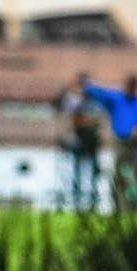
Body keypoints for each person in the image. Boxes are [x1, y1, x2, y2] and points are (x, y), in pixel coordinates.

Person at [82, 74, 137, 208]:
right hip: (121, 141)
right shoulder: (118, 99)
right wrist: (87, 85)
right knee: (120, 172)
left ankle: (134, 204)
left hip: (136, 144)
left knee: (133, 174)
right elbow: (99, 93)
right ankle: (120, 205)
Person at [57, 74, 104, 210]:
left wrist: (84, 121)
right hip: (79, 141)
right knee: (77, 171)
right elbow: (61, 105)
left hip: (92, 142)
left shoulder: (96, 103)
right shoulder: (75, 101)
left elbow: (97, 121)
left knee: (93, 172)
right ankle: (76, 200)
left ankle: (93, 200)